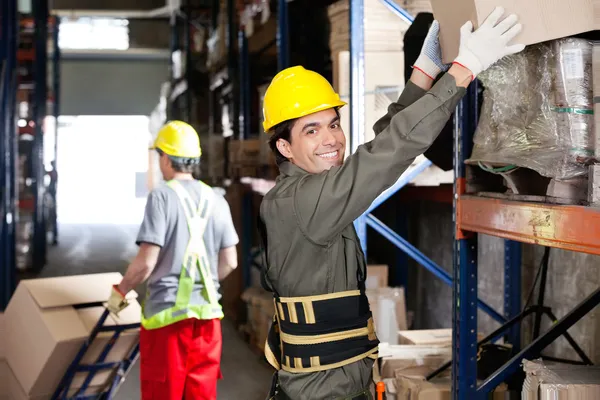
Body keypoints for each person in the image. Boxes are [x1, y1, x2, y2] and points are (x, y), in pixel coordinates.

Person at [257, 7, 525, 400]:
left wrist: (424, 71)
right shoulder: (301, 202)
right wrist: (463, 70)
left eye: (333, 124)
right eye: (311, 131)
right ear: (285, 147)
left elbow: (383, 141)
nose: (331, 139)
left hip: (345, 386)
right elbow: (389, 151)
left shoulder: (315, 189)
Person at [107, 120, 240, 400]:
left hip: (168, 322)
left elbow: (146, 262)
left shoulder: (162, 197)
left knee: (163, 393)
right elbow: (230, 261)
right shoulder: (217, 199)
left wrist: (120, 292)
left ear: (165, 158)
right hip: (207, 321)